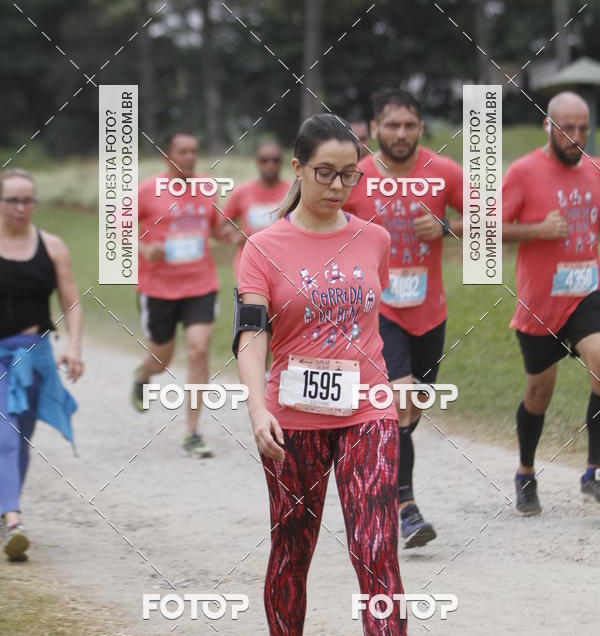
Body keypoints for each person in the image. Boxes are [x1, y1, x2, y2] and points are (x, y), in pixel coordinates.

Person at [236, 114, 406, 636]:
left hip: (368, 410)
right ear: (298, 168)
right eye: (325, 173)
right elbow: (250, 333)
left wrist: (400, 378)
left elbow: (381, 319)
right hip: (292, 418)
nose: (337, 186)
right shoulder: (263, 248)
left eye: (349, 174)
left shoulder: (375, 239)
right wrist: (257, 408)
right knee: (292, 549)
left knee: (375, 546)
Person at [344, 87, 463, 548]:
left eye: (409, 125)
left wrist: (449, 227)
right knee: (400, 400)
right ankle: (407, 509)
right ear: (375, 128)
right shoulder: (356, 176)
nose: (401, 133)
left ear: (419, 128)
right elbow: (317, 218)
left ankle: (376, 475)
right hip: (380, 312)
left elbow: (489, 215)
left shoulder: (442, 172)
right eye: (391, 125)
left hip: (431, 314)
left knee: (407, 415)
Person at [502, 91, 600, 514]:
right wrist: (538, 230)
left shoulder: (596, 171)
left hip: (587, 295)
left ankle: (593, 471)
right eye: (567, 128)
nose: (576, 136)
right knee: (539, 393)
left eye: (583, 128)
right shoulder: (523, 172)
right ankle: (525, 472)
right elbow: (491, 228)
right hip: (540, 302)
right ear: (548, 125)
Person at [0, 169, 83, 561]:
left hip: (34, 357)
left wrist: (75, 347)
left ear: (35, 202)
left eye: (27, 200)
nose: (20, 208)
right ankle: (14, 521)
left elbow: (71, 301)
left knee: (21, 438)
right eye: (12, 200)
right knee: (6, 436)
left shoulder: (51, 247)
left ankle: (5, 510)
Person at [132, 132, 230, 458]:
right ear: (166, 155)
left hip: (200, 285)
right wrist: (145, 249)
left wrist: (234, 234)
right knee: (161, 361)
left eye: (194, 151)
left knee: (199, 350)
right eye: (182, 151)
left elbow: (216, 228)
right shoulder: (148, 190)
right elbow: (117, 229)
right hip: (158, 288)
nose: (189, 157)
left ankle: (192, 431)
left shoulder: (207, 188)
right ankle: (143, 374)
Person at [222, 141, 290, 282]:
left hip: (285, 267)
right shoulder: (242, 192)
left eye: (275, 160)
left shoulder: (293, 193)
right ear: (257, 162)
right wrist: (233, 234)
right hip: (248, 265)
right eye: (264, 160)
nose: (270, 164)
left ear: (281, 163)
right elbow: (225, 222)